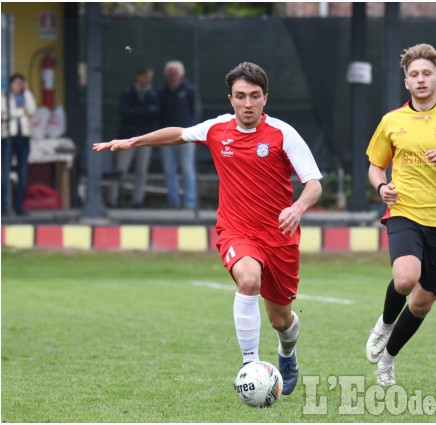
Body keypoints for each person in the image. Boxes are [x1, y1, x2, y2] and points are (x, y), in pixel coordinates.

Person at [94, 62, 323, 396]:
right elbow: (179, 133)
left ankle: (287, 353)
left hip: (279, 237)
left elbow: (314, 183)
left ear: (265, 99)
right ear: (230, 99)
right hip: (236, 231)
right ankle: (250, 365)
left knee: (281, 320)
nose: (248, 103)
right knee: (248, 280)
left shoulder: (283, 134)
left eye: (255, 96)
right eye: (241, 96)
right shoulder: (217, 129)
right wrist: (134, 141)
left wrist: (298, 207)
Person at [365, 43, 436, 386]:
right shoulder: (392, 121)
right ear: (406, 83)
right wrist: (380, 187)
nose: (420, 79)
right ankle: (383, 325)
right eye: (413, 75)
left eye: (426, 74)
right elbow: (375, 166)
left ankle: (388, 360)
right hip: (404, 212)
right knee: (404, 278)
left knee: (422, 303)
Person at [109, 67, 160, 208]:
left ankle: (137, 200)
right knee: (120, 169)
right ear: (139, 77)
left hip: (145, 138)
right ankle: (113, 199)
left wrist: (136, 112)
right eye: (146, 77)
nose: (148, 80)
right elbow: (125, 113)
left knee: (141, 171)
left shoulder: (153, 95)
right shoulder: (128, 93)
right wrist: (145, 112)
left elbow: (155, 114)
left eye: (150, 77)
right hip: (127, 136)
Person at [158, 60, 199, 209]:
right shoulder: (161, 92)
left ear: (181, 75)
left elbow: (195, 112)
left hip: (186, 136)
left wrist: (193, 132)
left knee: (187, 169)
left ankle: (190, 203)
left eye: (175, 74)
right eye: (170, 74)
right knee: (169, 170)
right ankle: (173, 201)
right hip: (165, 138)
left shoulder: (189, 91)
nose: (172, 76)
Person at [1, 74, 37, 216]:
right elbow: (4, 114)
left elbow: (32, 110)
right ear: (10, 84)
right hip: (8, 138)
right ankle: (4, 206)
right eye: (16, 83)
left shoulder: (25, 97)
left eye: (21, 84)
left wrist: (27, 91)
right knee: (5, 173)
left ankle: (19, 206)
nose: (18, 86)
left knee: (22, 173)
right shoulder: (4, 97)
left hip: (23, 139)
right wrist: (21, 112)